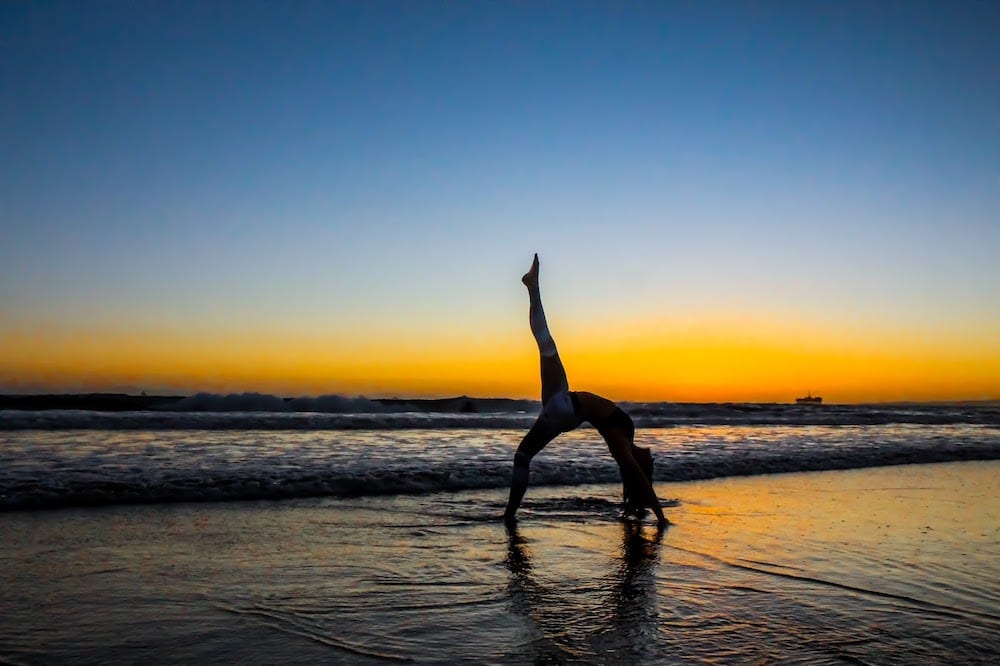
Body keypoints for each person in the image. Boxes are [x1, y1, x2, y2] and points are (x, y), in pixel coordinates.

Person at [504, 254, 668, 527]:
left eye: (648, 459)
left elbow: (635, 474)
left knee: (545, 342)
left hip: (565, 406)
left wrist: (661, 517)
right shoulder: (626, 432)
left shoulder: (621, 435)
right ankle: (509, 514)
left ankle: (533, 286)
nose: (649, 453)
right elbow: (635, 472)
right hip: (563, 411)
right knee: (521, 456)